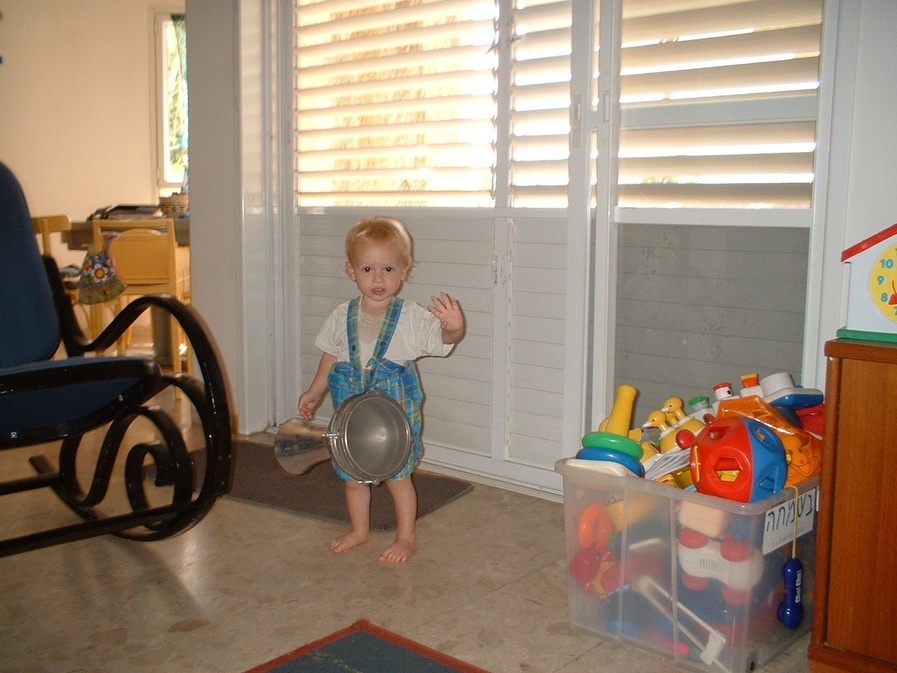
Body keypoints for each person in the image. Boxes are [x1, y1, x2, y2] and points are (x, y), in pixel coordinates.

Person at [298, 216, 464, 563]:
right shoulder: (341, 315)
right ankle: (360, 530)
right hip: (353, 418)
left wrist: (453, 328)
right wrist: (315, 391)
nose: (378, 278)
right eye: (367, 269)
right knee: (352, 477)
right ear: (351, 270)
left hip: (394, 419)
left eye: (388, 269)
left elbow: (442, 340)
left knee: (398, 477)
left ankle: (406, 537)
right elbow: (331, 355)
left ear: (404, 270)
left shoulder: (411, 318)